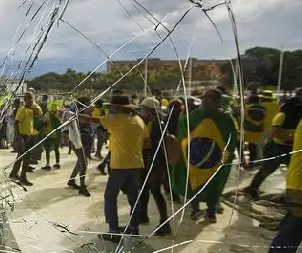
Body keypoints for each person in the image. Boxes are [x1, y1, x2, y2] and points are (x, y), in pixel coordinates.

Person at [81, 93, 149, 240]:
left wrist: (74, 114)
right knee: (134, 198)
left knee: (110, 196)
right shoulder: (138, 120)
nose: (111, 108)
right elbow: (147, 143)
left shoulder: (116, 119)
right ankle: (133, 228)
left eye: (112, 106)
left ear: (117, 107)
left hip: (120, 165)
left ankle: (114, 231)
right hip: (136, 164)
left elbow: (92, 120)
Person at [171, 89, 237, 224]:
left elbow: (231, 138)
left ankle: (205, 211)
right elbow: (183, 131)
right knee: (201, 183)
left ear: (217, 102)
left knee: (206, 184)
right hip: (204, 160)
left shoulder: (223, 118)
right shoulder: (224, 118)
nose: (205, 102)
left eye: (209, 100)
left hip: (206, 160)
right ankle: (201, 211)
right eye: (204, 99)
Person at [258, 118, 302, 253]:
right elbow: (276, 130)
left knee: (292, 228)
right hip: (299, 186)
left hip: (296, 183)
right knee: (293, 231)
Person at [243, 90, 301, 200]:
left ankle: (293, 194)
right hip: (275, 147)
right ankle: (252, 189)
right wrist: (293, 137)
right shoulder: (282, 115)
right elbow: (276, 132)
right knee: (268, 168)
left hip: (290, 147)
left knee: (295, 172)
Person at [135, 97, 171, 236]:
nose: (141, 112)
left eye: (143, 109)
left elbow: (152, 145)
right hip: (149, 161)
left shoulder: (157, 124)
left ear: (150, 111)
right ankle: (143, 215)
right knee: (143, 188)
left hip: (155, 162)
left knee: (155, 191)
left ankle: (165, 223)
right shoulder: (153, 121)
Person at [10, 92, 35, 187]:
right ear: (25, 100)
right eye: (30, 100)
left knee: (21, 156)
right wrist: (19, 137)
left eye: (32, 100)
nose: (31, 102)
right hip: (23, 136)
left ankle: (14, 173)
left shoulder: (29, 110)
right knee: (26, 157)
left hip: (28, 136)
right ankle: (22, 177)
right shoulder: (22, 110)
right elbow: (16, 123)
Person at [67, 99, 90, 196]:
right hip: (78, 142)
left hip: (84, 141)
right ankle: (82, 186)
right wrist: (78, 144)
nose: (88, 106)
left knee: (80, 162)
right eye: (87, 104)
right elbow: (74, 131)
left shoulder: (81, 113)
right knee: (83, 163)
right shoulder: (73, 115)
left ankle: (71, 181)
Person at [241, 94, 266, 167]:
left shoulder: (246, 107)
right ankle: (252, 163)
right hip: (258, 131)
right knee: (253, 147)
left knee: (239, 145)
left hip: (246, 131)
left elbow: (242, 119)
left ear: (250, 100)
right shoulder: (264, 108)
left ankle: (242, 162)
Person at [41, 102, 62, 171]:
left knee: (47, 149)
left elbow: (45, 123)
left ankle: (48, 164)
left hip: (49, 133)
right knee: (56, 149)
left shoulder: (47, 114)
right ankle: (57, 163)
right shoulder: (59, 114)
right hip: (57, 134)